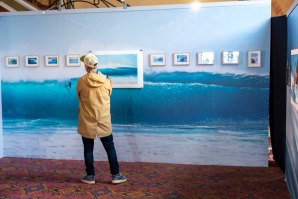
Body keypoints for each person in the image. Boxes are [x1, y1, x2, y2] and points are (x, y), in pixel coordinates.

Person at [76, 53, 127, 185]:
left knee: (88, 149)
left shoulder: (81, 81)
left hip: (87, 120)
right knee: (110, 147)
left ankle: (90, 176)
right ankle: (116, 175)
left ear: (87, 66)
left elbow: (79, 95)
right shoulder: (107, 80)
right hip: (103, 119)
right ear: (96, 65)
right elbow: (109, 94)